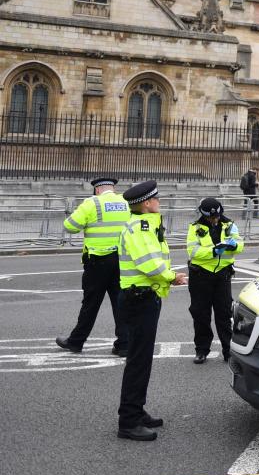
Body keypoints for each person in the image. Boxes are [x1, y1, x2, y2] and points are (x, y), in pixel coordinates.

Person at [116, 181, 187, 441]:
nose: (159, 202)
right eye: (156, 199)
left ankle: (137, 410)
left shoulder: (144, 225)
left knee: (141, 360)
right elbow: (149, 264)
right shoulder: (140, 228)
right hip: (139, 298)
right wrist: (172, 277)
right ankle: (129, 421)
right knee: (137, 361)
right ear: (147, 203)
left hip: (144, 297)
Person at [56, 177, 131, 356]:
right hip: (121, 260)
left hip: (97, 261)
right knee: (120, 302)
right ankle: (124, 344)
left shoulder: (91, 203)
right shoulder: (126, 202)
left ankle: (76, 342)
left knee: (90, 304)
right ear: (113, 188)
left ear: (97, 190)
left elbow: (70, 226)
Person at [186, 197, 243, 364]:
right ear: (204, 216)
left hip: (222, 275)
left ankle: (228, 350)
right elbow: (193, 251)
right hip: (200, 276)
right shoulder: (195, 228)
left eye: (217, 216)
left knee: (224, 314)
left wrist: (234, 246)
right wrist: (214, 251)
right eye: (211, 218)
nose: (215, 219)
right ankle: (202, 350)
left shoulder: (229, 225)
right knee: (201, 314)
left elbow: (240, 243)